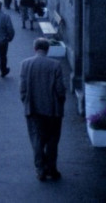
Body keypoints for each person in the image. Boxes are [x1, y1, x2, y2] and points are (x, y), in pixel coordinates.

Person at [20, 37, 66, 181]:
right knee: (52, 141)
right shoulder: (56, 65)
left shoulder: (25, 64)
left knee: (37, 140)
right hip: (53, 111)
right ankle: (52, 169)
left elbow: (23, 89)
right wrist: (60, 104)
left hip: (33, 109)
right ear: (48, 49)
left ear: (35, 49)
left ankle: (40, 169)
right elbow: (60, 90)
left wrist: (26, 102)